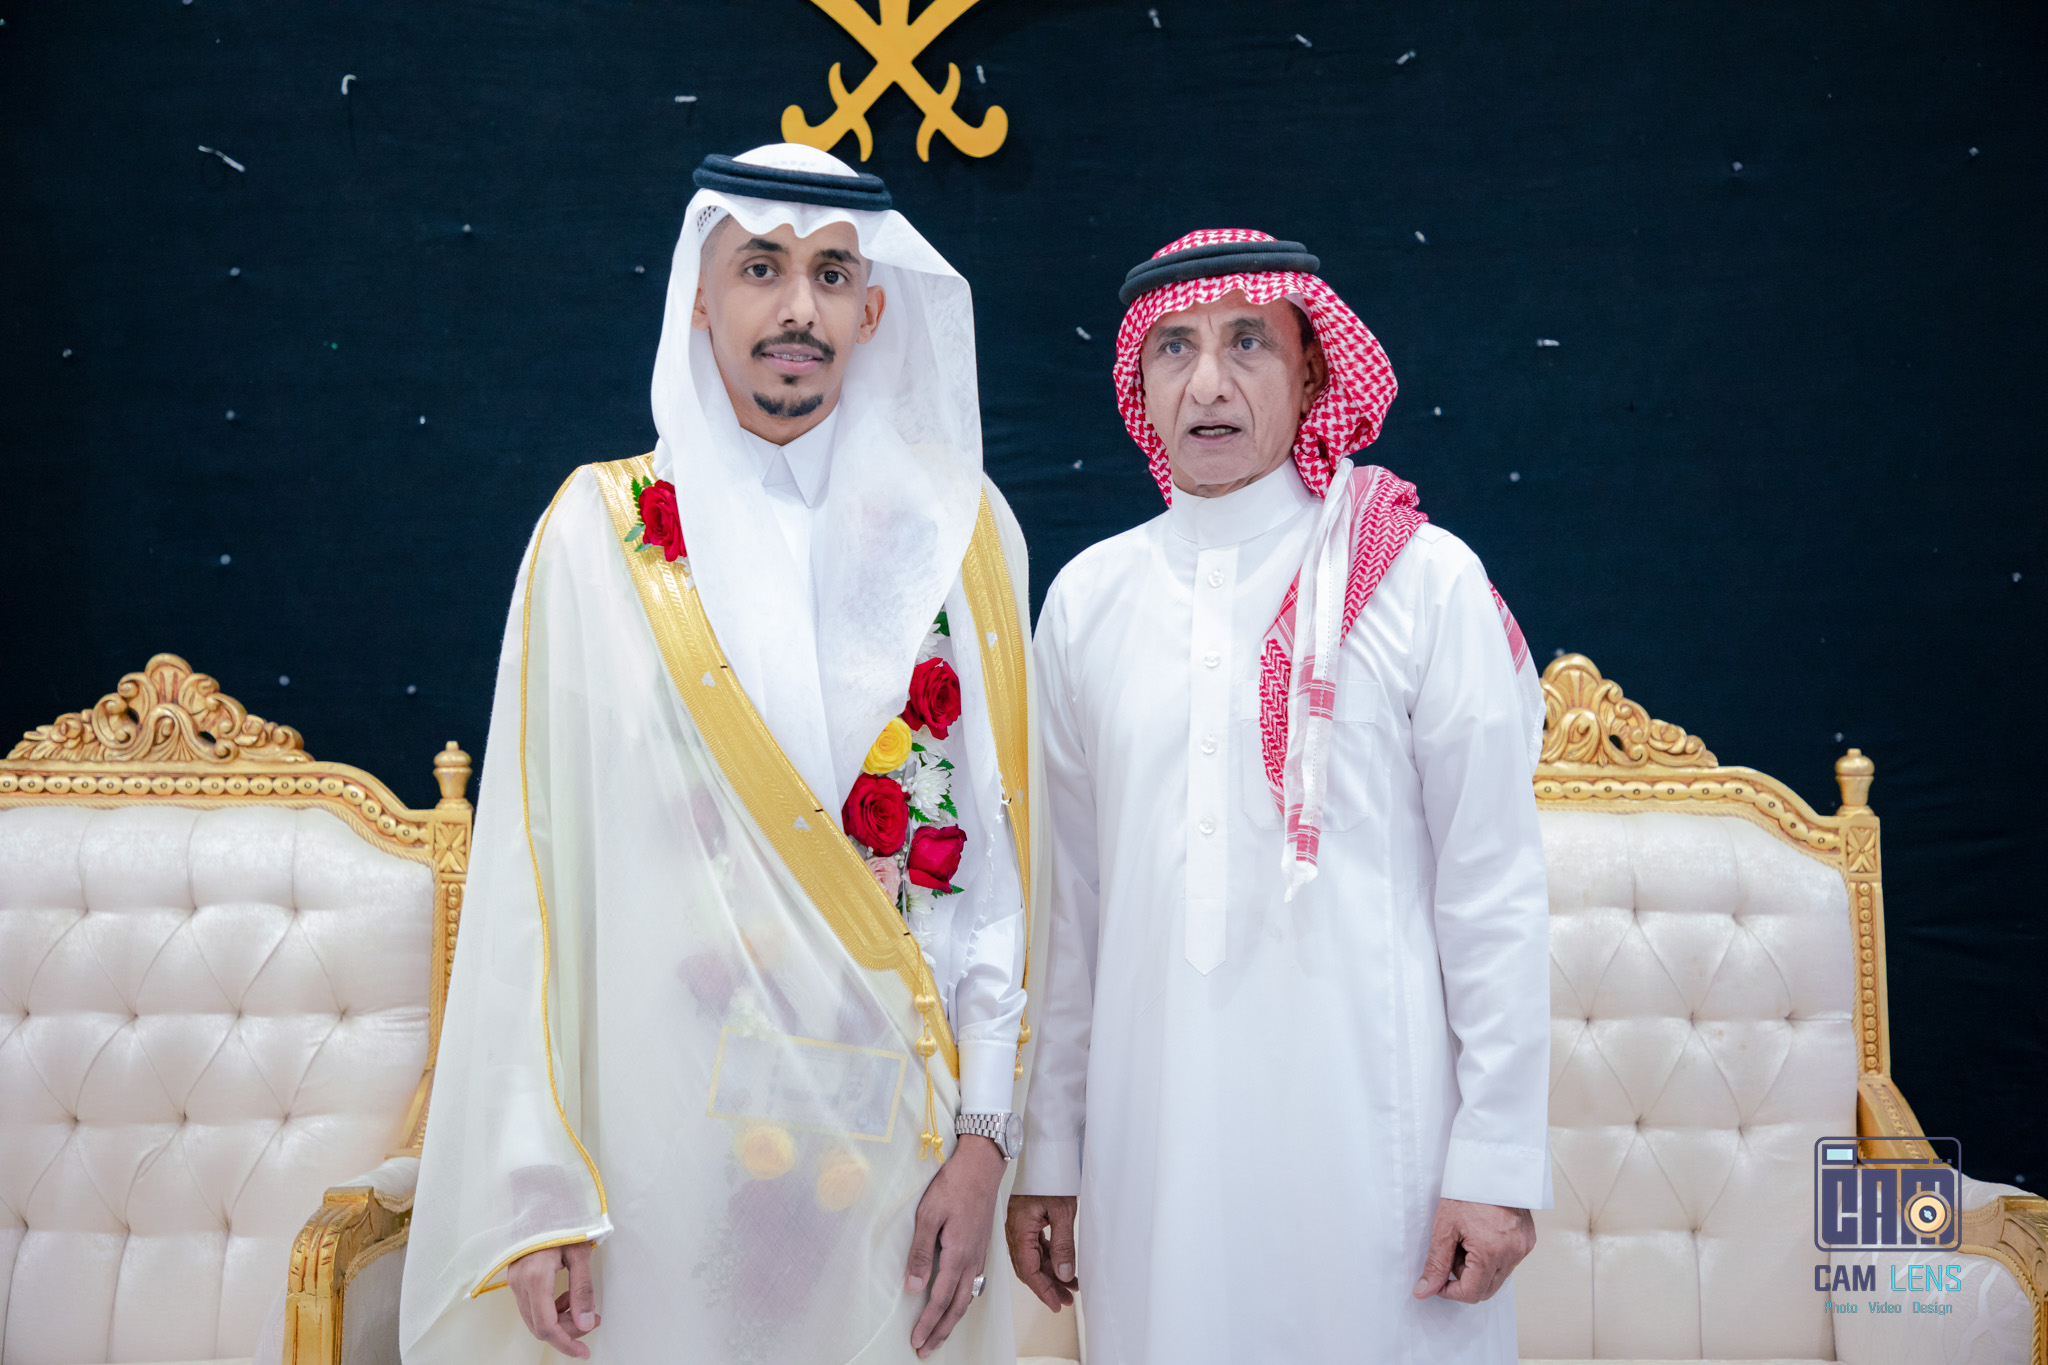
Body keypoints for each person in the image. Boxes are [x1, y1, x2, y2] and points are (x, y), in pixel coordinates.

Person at [401, 144, 1046, 1365]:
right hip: (657, 1156)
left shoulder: (962, 538)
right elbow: (529, 882)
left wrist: (985, 1141)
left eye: (830, 273)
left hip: (902, 1155)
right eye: (759, 268)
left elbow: (997, 874)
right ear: (698, 298)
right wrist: (539, 1189)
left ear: (873, 309)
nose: (797, 307)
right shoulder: (600, 539)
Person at [1006, 229, 1552, 1364]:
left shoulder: (1419, 580)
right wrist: (1048, 1154)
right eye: (1174, 348)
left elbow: (1492, 890)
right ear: (1140, 384)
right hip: (1154, 1164)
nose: (1207, 382)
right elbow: (1070, 914)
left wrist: (1498, 1161)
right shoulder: (1087, 602)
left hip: (1383, 1164)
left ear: (1311, 374)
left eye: (1247, 342)